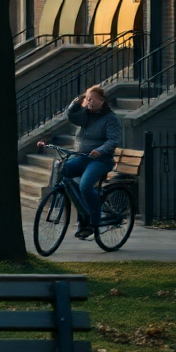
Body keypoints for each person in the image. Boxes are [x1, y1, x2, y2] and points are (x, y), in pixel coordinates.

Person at [47, 85, 122, 239]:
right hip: (82, 157)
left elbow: (113, 140)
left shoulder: (111, 119)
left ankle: (94, 220)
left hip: (100, 160)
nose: (89, 103)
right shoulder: (86, 115)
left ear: (102, 101)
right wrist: (78, 100)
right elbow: (71, 115)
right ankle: (82, 212)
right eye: (88, 99)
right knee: (62, 169)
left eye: (92, 100)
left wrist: (100, 150)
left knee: (85, 185)